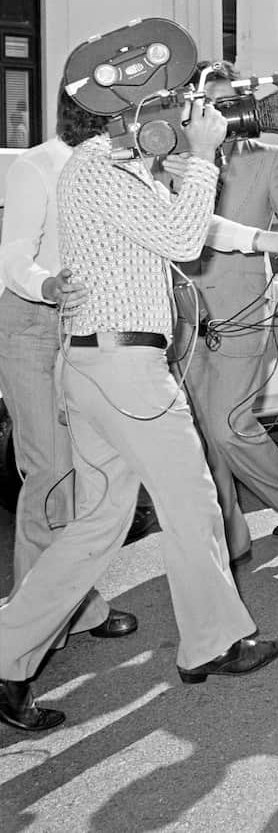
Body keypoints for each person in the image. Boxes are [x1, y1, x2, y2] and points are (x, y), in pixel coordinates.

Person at [0, 80, 278, 733]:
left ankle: (8, 655)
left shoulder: (107, 167)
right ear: (120, 113)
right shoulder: (100, 167)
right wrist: (207, 152)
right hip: (126, 370)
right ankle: (212, 641)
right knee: (192, 502)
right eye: (153, 102)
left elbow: (181, 220)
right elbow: (185, 239)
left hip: (99, 365)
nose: (167, 112)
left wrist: (264, 234)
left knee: (97, 523)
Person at [0, 91, 137, 670]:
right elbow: (11, 256)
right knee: (50, 476)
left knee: (86, 476)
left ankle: (73, 607)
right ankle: (25, 640)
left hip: (92, 325)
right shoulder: (38, 164)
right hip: (35, 324)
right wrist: (48, 284)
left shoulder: (113, 165)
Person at [175, 65, 278, 564]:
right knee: (205, 433)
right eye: (208, 104)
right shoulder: (171, 160)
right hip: (181, 316)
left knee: (227, 423)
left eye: (227, 103)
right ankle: (230, 536)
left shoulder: (268, 159)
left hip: (243, 315)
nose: (218, 114)